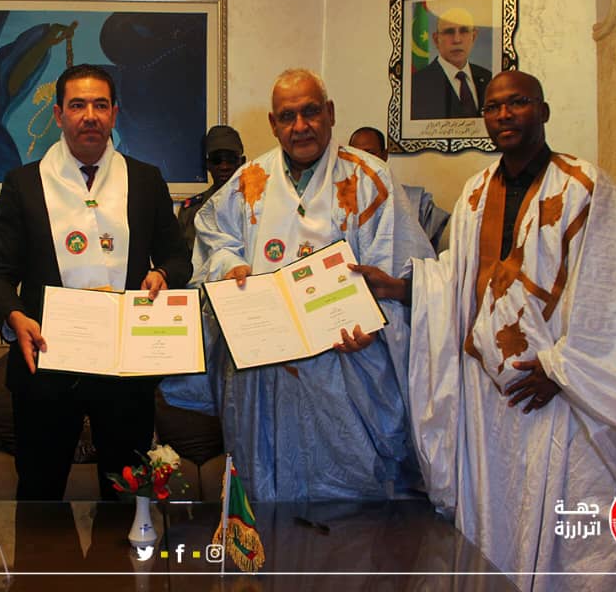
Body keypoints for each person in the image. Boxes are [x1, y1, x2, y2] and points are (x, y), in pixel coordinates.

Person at [362, 70, 616, 591]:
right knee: (493, 528)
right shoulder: (475, 193)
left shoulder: (584, 187)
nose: (504, 115)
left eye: (518, 102)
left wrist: (561, 369)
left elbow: (613, 294)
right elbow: (459, 280)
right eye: (493, 107)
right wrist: (400, 288)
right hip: (486, 400)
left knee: (567, 533)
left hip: (557, 397)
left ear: (543, 111)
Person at [161, 69, 434, 501]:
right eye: (288, 116)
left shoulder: (369, 179)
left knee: (349, 499)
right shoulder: (249, 181)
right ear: (273, 124)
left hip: (346, 371)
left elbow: (401, 266)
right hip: (264, 375)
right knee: (265, 491)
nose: (300, 126)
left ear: (330, 113)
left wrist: (375, 320)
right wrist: (231, 266)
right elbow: (214, 239)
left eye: (311, 112)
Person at [0, 64, 192, 500]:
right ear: (59, 115)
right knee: (39, 496)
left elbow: (178, 258)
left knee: (126, 498)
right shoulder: (24, 184)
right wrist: (15, 316)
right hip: (46, 366)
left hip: (125, 370)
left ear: (115, 113)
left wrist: (163, 274)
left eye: (100, 105)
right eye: (78, 105)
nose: (90, 116)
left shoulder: (146, 180)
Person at [349, 126, 450, 251]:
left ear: (384, 155)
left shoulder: (415, 202)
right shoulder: (338, 202)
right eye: (355, 155)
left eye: (370, 154)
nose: (362, 161)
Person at [410, 7, 492, 119]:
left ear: (473, 37)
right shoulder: (416, 85)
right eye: (449, 32)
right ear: (436, 40)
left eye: (464, 31)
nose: (457, 40)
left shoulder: (488, 78)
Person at [176, 125, 245, 251]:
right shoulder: (191, 212)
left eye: (231, 159)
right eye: (217, 160)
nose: (224, 167)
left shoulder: (256, 207)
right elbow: (179, 257)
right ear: (207, 164)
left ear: (242, 162)